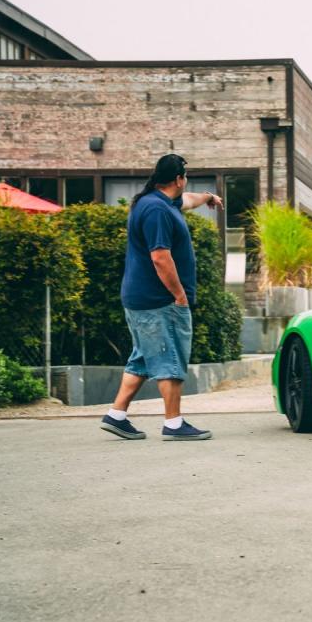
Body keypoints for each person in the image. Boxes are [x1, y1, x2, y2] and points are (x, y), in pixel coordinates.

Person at [99, 154, 222, 441]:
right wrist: (178, 295)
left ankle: (116, 415)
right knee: (169, 357)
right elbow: (160, 258)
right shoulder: (157, 210)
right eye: (185, 177)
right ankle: (174, 423)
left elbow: (188, 200)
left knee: (143, 357)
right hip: (159, 300)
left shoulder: (158, 201)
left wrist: (208, 197)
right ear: (179, 179)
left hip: (143, 298)